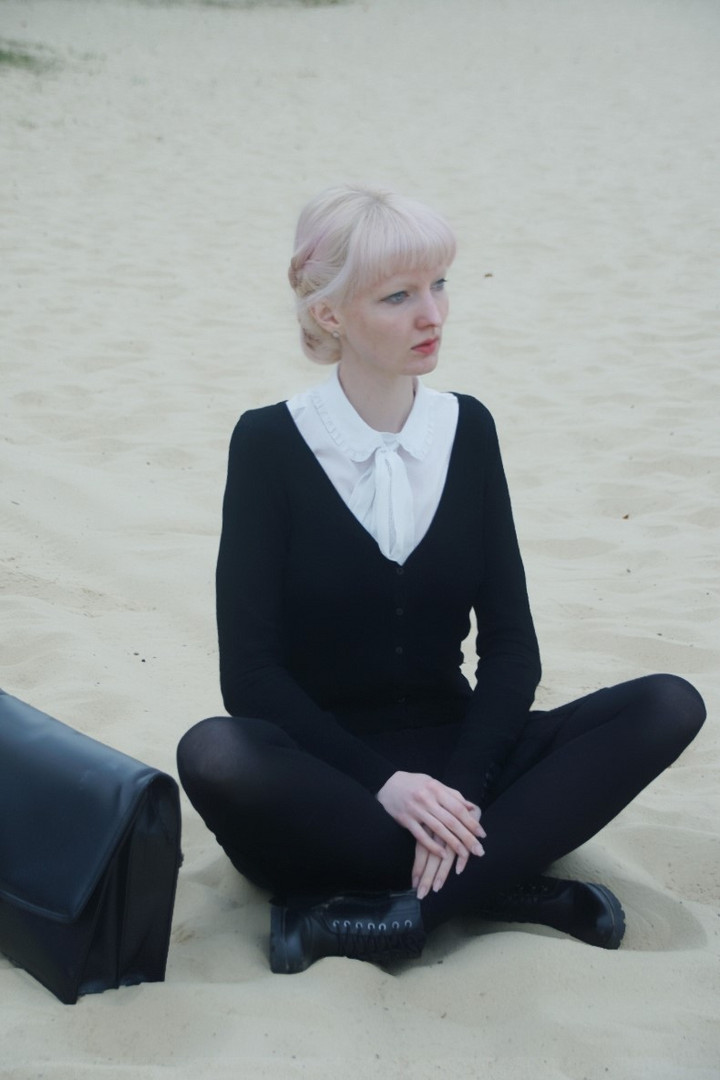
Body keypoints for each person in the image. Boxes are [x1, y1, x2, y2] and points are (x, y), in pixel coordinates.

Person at [177, 184, 705, 974]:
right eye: (399, 296)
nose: (434, 315)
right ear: (330, 316)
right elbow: (250, 678)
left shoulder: (469, 428)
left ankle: (408, 908)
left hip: (465, 761)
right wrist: (388, 785)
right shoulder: (266, 445)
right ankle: (502, 880)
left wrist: (455, 793)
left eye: (439, 285)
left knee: (669, 703)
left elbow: (512, 650)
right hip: (328, 781)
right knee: (214, 753)